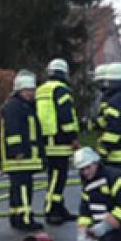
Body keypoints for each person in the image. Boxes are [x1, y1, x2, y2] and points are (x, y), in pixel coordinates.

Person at [36, 58, 80, 224]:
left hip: (45, 139)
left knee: (53, 176)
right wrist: (73, 137)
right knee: (58, 177)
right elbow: (66, 116)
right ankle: (51, 209)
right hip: (60, 140)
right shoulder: (61, 90)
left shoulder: (41, 90)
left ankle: (59, 208)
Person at [1, 70, 45, 231]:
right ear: (20, 90)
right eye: (28, 90)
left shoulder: (24, 106)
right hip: (20, 157)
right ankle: (26, 219)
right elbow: (13, 131)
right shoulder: (15, 106)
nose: (31, 93)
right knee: (24, 188)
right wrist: (16, 150)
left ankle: (16, 216)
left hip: (25, 156)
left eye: (32, 90)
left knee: (17, 188)